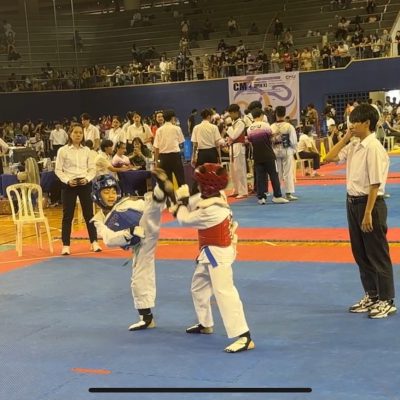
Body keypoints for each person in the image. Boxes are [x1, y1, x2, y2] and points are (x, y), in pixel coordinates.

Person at [172, 163, 255, 353]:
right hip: (210, 252)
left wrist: (180, 202)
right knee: (198, 287)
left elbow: (184, 219)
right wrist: (181, 199)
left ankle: (244, 336)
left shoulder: (212, 210)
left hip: (217, 255)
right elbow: (195, 201)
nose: (196, 186)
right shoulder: (217, 196)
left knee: (224, 292)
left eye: (199, 183)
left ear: (206, 187)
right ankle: (205, 323)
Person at [325, 104, 396, 319]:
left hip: (369, 204)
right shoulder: (355, 144)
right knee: (361, 254)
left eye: (356, 121)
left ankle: (387, 300)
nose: (352, 124)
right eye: (351, 121)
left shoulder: (373, 147)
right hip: (352, 202)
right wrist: (346, 137)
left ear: (367, 123)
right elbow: (329, 157)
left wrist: (368, 213)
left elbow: (375, 183)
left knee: (377, 254)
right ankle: (372, 295)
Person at [91, 170, 174, 330]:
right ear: (97, 195)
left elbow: (150, 208)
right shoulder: (98, 220)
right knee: (139, 278)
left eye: (113, 191)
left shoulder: (127, 204)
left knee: (150, 209)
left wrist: (161, 197)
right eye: (106, 192)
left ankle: (161, 191)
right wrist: (129, 232)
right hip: (137, 243)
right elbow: (109, 240)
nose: (111, 195)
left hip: (146, 230)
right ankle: (146, 318)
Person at [55, 123, 101, 255]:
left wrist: (87, 179)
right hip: (69, 184)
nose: (78, 135)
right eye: (75, 132)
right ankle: (66, 245)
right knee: (67, 216)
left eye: (80, 132)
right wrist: (67, 180)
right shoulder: (62, 150)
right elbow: (58, 170)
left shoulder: (87, 151)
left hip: (84, 183)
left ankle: (94, 242)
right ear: (70, 134)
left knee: (89, 214)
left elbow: (92, 169)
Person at [247, 108, 289, 204]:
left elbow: (250, 141)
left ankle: (261, 198)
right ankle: (277, 196)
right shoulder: (265, 125)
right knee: (274, 175)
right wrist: (277, 135)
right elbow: (271, 138)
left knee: (260, 177)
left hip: (257, 156)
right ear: (261, 115)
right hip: (268, 154)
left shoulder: (249, 129)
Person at [270, 106, 298, 201]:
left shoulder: (271, 126)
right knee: (287, 172)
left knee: (277, 172)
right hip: (286, 150)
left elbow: (270, 140)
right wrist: (294, 150)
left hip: (275, 150)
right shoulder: (289, 126)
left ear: (276, 114)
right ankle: (288, 194)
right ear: (285, 114)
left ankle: (277, 193)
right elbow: (293, 141)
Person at [153, 109, 185, 187]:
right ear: (173, 118)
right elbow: (181, 142)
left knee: (167, 182)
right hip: (175, 157)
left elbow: (156, 148)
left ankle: (169, 195)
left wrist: (156, 161)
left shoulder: (159, 130)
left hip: (163, 158)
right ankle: (183, 195)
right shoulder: (177, 128)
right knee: (181, 180)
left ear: (164, 118)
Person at [226, 103, 248, 198]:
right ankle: (236, 189)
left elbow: (234, 135)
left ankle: (243, 191)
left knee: (240, 170)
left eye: (231, 113)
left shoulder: (240, 122)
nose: (230, 115)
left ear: (236, 112)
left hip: (239, 146)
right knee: (233, 170)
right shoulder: (234, 123)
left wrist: (228, 127)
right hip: (232, 147)